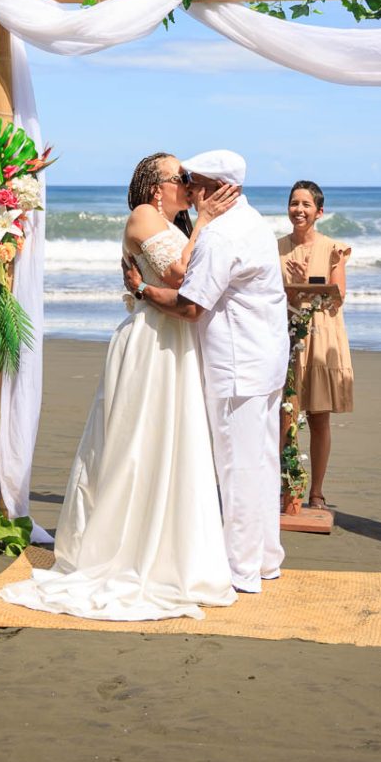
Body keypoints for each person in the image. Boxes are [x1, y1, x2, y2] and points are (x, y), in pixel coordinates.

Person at [0, 152, 239, 621]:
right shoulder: (144, 217)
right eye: (181, 177)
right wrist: (206, 222)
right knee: (137, 446)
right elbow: (181, 277)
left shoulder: (175, 224)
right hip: (151, 343)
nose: (189, 185)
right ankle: (123, 549)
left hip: (173, 341)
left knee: (172, 445)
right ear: (156, 186)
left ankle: (171, 551)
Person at [124, 150, 290, 594]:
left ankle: (241, 571)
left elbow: (191, 306)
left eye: (195, 183)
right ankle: (266, 559)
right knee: (262, 462)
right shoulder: (253, 221)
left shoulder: (220, 236)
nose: (192, 191)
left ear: (219, 188)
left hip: (237, 367)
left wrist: (141, 289)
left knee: (238, 468)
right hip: (266, 360)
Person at [277, 179, 354, 510]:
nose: (299, 209)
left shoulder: (333, 249)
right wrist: (290, 285)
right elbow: (264, 295)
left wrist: (305, 282)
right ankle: (286, 489)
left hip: (320, 337)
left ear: (319, 212)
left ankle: (317, 492)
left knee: (319, 417)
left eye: (306, 204)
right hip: (283, 336)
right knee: (284, 417)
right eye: (295, 203)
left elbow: (336, 300)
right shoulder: (274, 249)